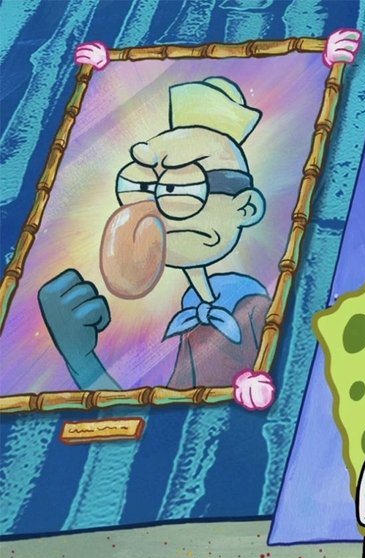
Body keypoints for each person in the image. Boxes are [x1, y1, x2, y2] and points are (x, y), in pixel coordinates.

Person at [39, 77, 271, 390]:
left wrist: (83, 363)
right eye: (142, 187)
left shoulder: (253, 310)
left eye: (180, 188)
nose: (154, 213)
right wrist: (80, 357)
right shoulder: (195, 310)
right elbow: (159, 411)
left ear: (246, 207)